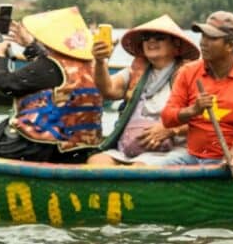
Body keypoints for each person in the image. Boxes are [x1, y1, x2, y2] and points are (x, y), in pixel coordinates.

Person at [0, 6, 104, 164]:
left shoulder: (49, 66)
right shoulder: (93, 65)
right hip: (81, 147)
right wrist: (30, 44)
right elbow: (51, 68)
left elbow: (6, 84)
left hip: (41, 146)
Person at [86, 14, 200, 167]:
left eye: (159, 37)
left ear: (176, 45)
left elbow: (205, 118)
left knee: (138, 168)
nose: (151, 41)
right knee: (96, 162)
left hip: (173, 150)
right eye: (146, 37)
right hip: (127, 150)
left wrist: (171, 130)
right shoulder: (136, 72)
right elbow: (108, 90)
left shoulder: (190, 74)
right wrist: (100, 61)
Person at [159, 11, 233, 168]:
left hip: (228, 158)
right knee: (158, 167)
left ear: (230, 46)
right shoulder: (188, 72)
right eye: (203, 36)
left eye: (212, 38)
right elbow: (167, 118)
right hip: (191, 156)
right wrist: (193, 110)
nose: (203, 43)